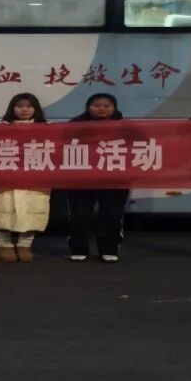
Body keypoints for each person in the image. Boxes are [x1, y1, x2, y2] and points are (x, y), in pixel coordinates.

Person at [0, 93, 50, 263]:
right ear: (12, 108)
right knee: (2, 209)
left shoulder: (47, 128)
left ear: (36, 109)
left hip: (34, 176)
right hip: (4, 175)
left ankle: (25, 245)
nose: (24, 110)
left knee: (31, 210)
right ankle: (4, 245)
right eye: (20, 106)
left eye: (29, 106)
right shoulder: (0, 127)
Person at [66, 93, 128, 263]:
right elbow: (61, 146)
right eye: (96, 105)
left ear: (114, 107)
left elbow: (143, 144)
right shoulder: (75, 124)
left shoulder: (126, 126)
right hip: (80, 177)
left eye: (107, 105)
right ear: (88, 107)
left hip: (115, 178)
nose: (101, 109)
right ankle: (79, 249)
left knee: (111, 213)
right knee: (80, 214)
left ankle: (109, 249)